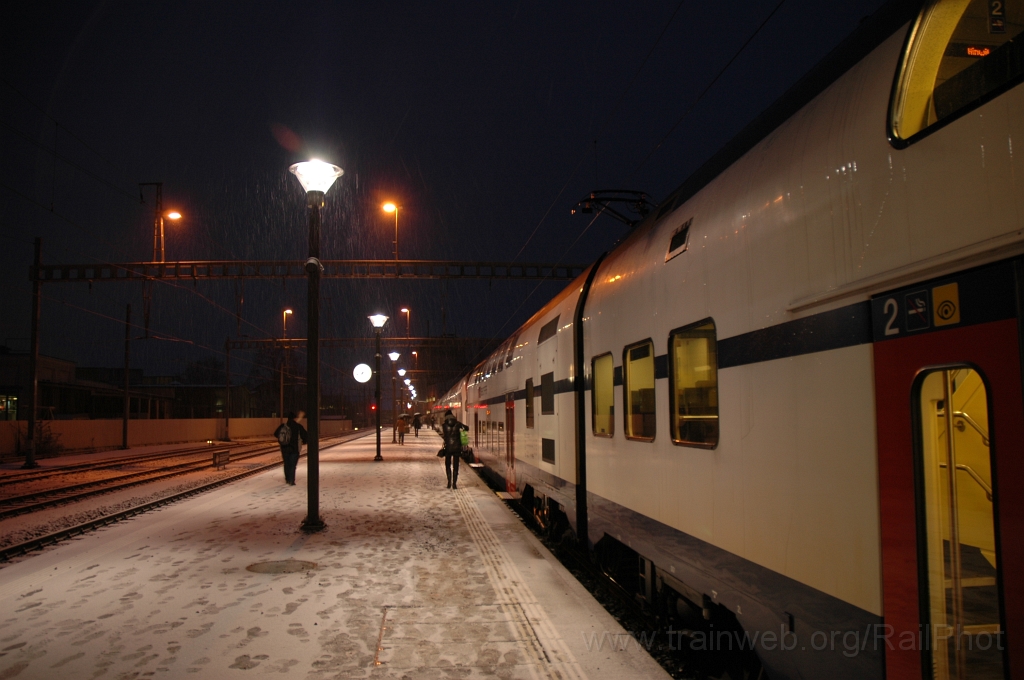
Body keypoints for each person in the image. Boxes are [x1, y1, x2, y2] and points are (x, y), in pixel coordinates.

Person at [274, 412, 307, 485]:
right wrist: (304, 442)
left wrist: (282, 439)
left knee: (286, 464)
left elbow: (276, 434)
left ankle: (287, 479)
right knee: (292, 465)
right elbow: (305, 436)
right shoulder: (298, 426)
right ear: (294, 418)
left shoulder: (283, 426)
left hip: (284, 448)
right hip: (294, 449)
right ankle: (291, 480)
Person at [440, 409, 469, 489]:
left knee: (447, 465)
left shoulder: (444, 425)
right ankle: (454, 484)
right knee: (456, 466)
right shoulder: (458, 424)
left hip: (448, 447)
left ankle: (449, 482)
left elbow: (445, 436)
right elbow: (467, 428)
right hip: (457, 447)